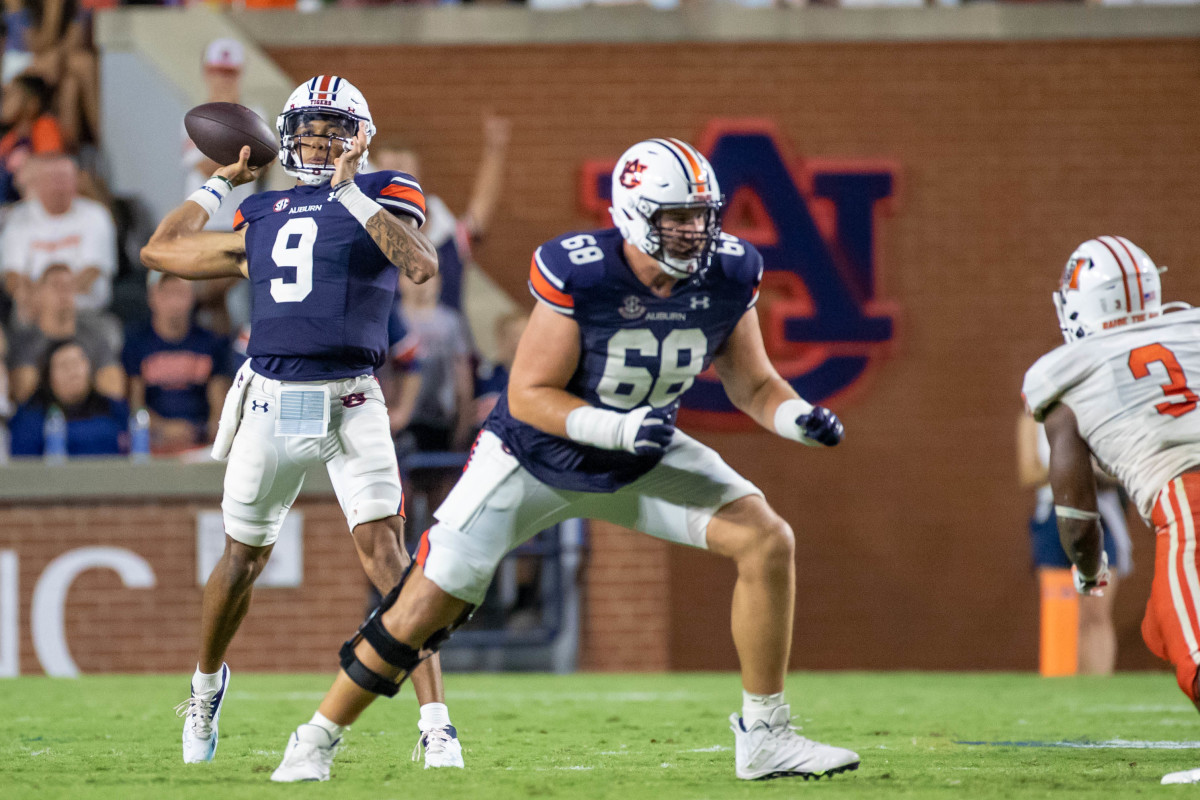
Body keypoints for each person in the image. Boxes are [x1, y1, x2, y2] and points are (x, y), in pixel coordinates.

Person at [272, 137, 861, 783]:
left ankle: (766, 737)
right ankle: (316, 738)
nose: (695, 231)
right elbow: (527, 396)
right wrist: (612, 427)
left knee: (767, 540)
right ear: (635, 214)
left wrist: (793, 416)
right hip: (533, 458)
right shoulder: (581, 269)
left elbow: (752, 384)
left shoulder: (730, 271)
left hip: (636, 454)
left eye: (702, 214)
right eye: (677, 217)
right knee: (419, 609)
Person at [140, 75, 464, 769]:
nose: (320, 139)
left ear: (361, 137)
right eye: (309, 127)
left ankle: (436, 723)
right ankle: (205, 685)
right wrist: (220, 182)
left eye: (334, 127)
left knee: (388, 557)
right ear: (286, 135)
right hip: (268, 399)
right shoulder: (263, 210)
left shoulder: (387, 190)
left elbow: (420, 266)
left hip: (352, 399)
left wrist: (349, 189)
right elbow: (160, 251)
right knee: (241, 561)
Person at [1020, 235, 1200, 786]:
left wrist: (1089, 566)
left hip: (1189, 498)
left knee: (1190, 642)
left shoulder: (1064, 369)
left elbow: (1072, 498)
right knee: (1159, 630)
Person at [1016, 413, 1133, 676]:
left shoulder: (1101, 409)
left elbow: (1123, 469)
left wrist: (1091, 469)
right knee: (1059, 609)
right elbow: (1028, 472)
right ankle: (1061, 679)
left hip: (1099, 516)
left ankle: (1096, 685)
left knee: (1096, 611)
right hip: (1053, 518)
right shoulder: (1033, 416)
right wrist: (1071, 465)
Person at [1, 153, 116, 326]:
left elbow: (93, 271)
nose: (59, 185)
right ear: (38, 183)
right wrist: (40, 302)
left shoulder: (95, 215)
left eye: (64, 178)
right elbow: (12, 275)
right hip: (31, 317)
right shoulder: (18, 218)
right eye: (53, 179)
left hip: (85, 316)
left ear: (76, 181)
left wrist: (53, 301)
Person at [122, 272, 231, 453]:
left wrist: (209, 434)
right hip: (152, 442)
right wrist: (165, 428)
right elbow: (135, 404)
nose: (173, 302)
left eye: (180, 293)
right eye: (167, 293)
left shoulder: (211, 343)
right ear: (152, 297)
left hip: (200, 440)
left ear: (192, 297)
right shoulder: (136, 343)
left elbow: (219, 408)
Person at [6, 262, 123, 402]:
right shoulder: (24, 342)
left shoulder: (95, 337)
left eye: (69, 286)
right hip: (44, 418)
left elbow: (114, 392)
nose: (64, 291)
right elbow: (23, 396)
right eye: (56, 285)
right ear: (39, 294)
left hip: (88, 417)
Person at [8, 337, 126, 456]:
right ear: (48, 377)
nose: (72, 371)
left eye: (77, 363)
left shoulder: (114, 409)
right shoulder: (30, 416)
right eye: (64, 365)